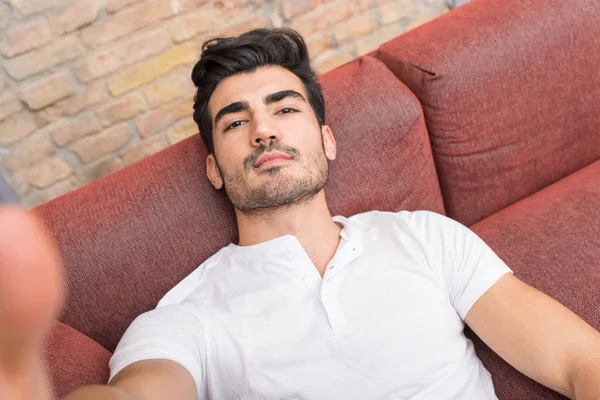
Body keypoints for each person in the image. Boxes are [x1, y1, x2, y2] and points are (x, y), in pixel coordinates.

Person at [1, 28, 599, 400]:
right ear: (214, 168)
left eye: (284, 109)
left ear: (327, 140)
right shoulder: (185, 320)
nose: (263, 130)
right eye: (234, 122)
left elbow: (578, 362)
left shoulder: (425, 238)